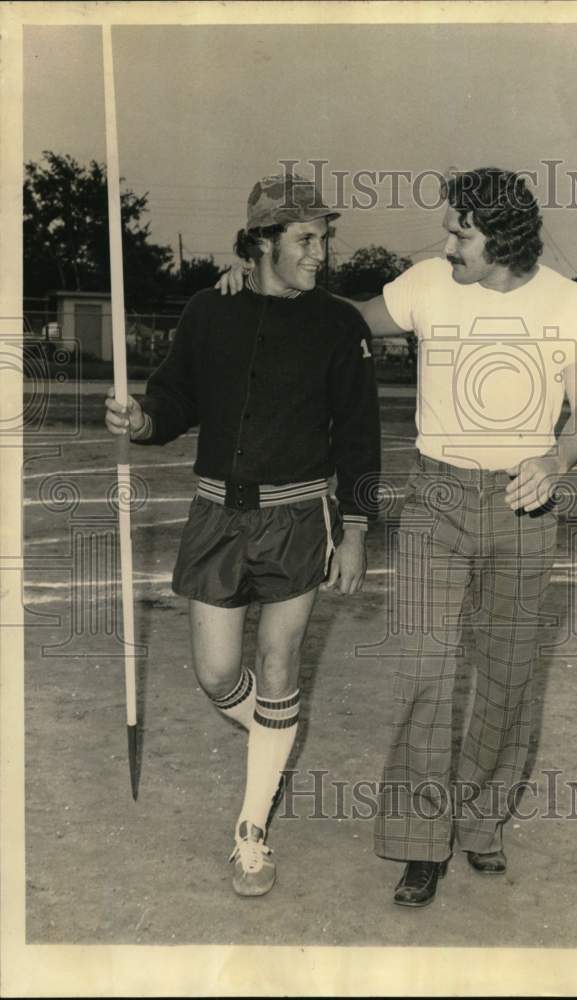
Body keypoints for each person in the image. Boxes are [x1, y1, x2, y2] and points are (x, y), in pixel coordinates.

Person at [219, 166, 577, 907]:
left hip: (524, 505)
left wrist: (556, 457)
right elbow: (338, 316)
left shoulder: (570, 302)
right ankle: (418, 843)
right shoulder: (428, 282)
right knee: (425, 674)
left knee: (506, 676)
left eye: (461, 230)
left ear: (502, 238)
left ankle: (483, 820)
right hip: (435, 498)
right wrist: (259, 277)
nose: (447, 241)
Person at [105, 171, 380, 898]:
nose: (319, 252)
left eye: (322, 237)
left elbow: (358, 434)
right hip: (216, 512)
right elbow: (174, 396)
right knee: (217, 674)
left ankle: (251, 831)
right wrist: (143, 421)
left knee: (280, 660)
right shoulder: (208, 310)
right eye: (303, 239)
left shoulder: (337, 325)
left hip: (299, 516)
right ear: (260, 244)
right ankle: (274, 731)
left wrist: (354, 526)